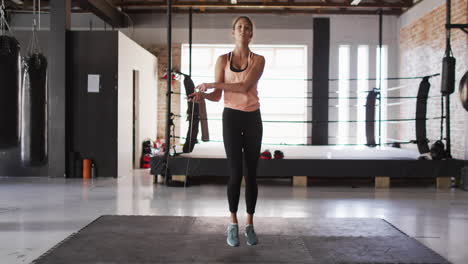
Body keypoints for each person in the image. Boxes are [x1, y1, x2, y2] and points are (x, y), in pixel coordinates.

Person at [188, 16, 265, 247]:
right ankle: (232, 224)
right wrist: (204, 96)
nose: (243, 30)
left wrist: (211, 84)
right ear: (233, 32)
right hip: (231, 117)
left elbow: (243, 87)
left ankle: (249, 225)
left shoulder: (259, 60)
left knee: (251, 174)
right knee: (235, 173)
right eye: (239, 27)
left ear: (251, 34)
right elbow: (218, 97)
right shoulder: (222, 60)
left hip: (252, 117)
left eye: (247, 28)